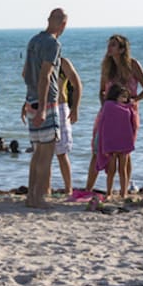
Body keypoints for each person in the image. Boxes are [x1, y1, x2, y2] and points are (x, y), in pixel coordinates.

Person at [84, 34, 143, 193]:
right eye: (109, 44)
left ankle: (124, 190)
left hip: (128, 114)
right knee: (98, 148)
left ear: (122, 49)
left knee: (124, 152)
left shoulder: (132, 65)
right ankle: (88, 189)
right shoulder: (107, 67)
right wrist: (104, 105)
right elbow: (101, 90)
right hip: (107, 114)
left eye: (113, 45)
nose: (109, 47)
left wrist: (135, 100)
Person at [21, 8, 67, 208]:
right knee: (46, 153)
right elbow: (45, 75)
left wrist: (28, 101)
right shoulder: (52, 43)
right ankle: (38, 197)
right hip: (45, 101)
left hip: (32, 98)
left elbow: (25, 73)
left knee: (37, 152)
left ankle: (31, 196)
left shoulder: (33, 41)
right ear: (63, 24)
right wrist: (41, 108)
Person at [92, 83, 137, 197]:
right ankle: (108, 192)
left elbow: (133, 124)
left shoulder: (128, 108)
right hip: (111, 143)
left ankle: (124, 192)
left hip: (124, 142)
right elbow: (103, 126)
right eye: (122, 96)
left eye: (126, 97)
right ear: (115, 96)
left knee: (123, 170)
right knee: (111, 171)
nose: (125, 99)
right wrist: (103, 144)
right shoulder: (108, 106)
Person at [55, 56, 82, 195]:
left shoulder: (62, 62)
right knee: (43, 152)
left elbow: (77, 84)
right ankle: (45, 188)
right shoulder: (39, 60)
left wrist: (75, 108)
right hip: (42, 107)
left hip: (60, 106)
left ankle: (68, 188)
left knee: (62, 151)